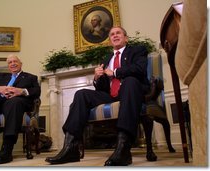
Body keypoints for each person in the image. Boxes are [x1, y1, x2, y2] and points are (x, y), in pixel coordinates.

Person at [45, 26, 150, 166]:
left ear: (126, 38)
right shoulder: (106, 58)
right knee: (81, 94)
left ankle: (123, 149)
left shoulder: (137, 50)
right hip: (111, 95)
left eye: (118, 33)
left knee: (130, 81)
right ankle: (71, 148)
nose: (115, 36)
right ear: (109, 40)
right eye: (112, 34)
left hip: (131, 93)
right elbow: (102, 88)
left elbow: (140, 69)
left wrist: (116, 72)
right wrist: (97, 77)